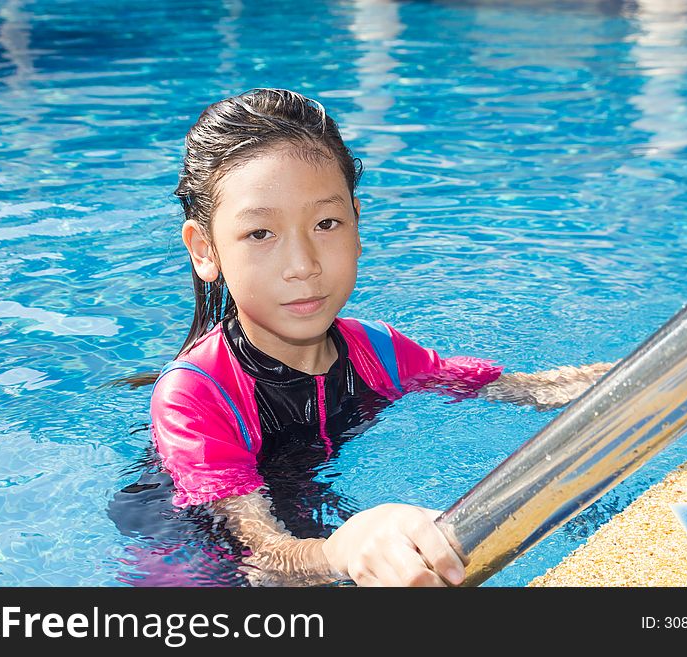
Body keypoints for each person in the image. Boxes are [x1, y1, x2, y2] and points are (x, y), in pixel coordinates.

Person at [139, 88, 614, 587]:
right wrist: (343, 548)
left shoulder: (376, 352)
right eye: (260, 234)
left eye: (326, 223)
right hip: (201, 561)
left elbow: (525, 390)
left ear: (357, 225)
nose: (303, 266)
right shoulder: (195, 396)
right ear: (205, 249)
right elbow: (260, 556)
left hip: (313, 523)